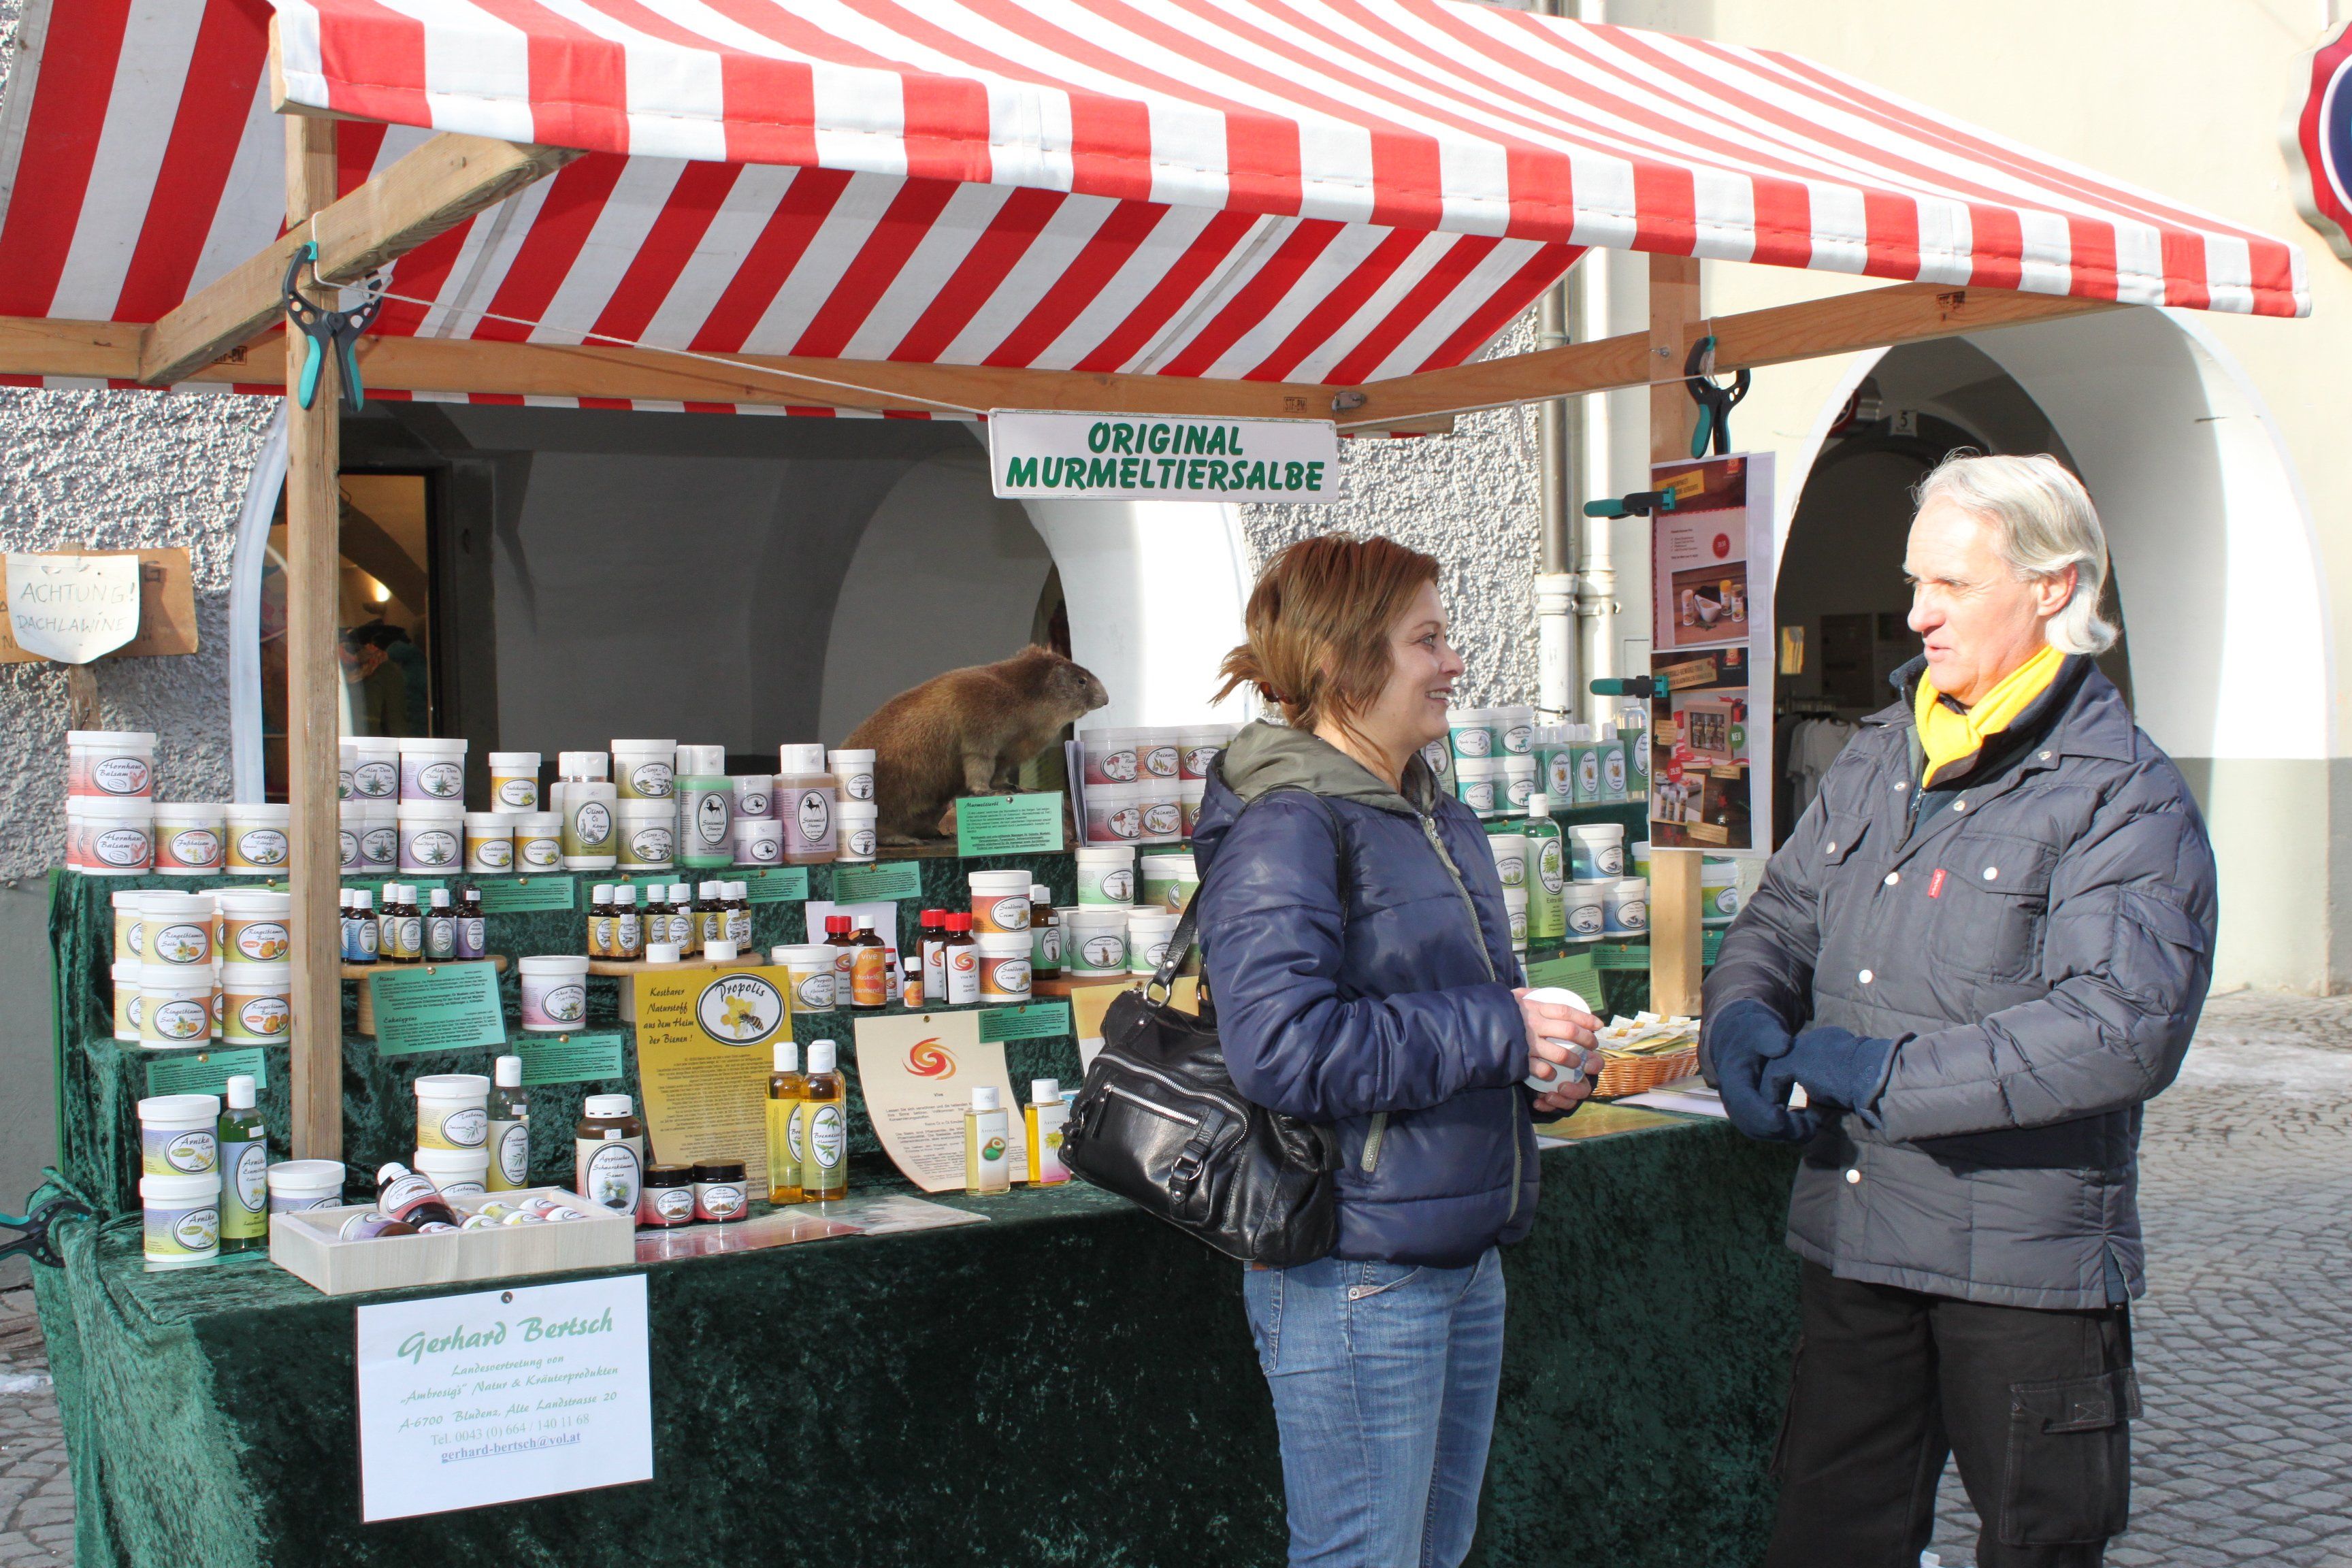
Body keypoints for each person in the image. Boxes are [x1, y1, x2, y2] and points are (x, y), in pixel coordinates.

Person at [1703, 454, 2217, 1567]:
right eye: (1915, 582)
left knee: (2038, 1546)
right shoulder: (1882, 753)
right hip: (1858, 1243)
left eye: (1951, 584)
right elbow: (1783, 914)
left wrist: (1881, 1075)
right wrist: (1740, 1015)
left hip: (2025, 1274)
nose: (1918, 614)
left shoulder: (2123, 792)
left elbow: (2120, 1028)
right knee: (1827, 1540)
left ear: (2053, 586)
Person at [1190, 534, 1602, 1568]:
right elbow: (1283, 1048)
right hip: (1355, 1270)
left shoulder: (1431, 814)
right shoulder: (1288, 825)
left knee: (1431, 1553)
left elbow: (1460, 1013)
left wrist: (1537, 1070)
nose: (1454, 661)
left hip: (1454, 1256)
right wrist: (1501, 1031)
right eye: (1428, 639)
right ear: (1342, 663)